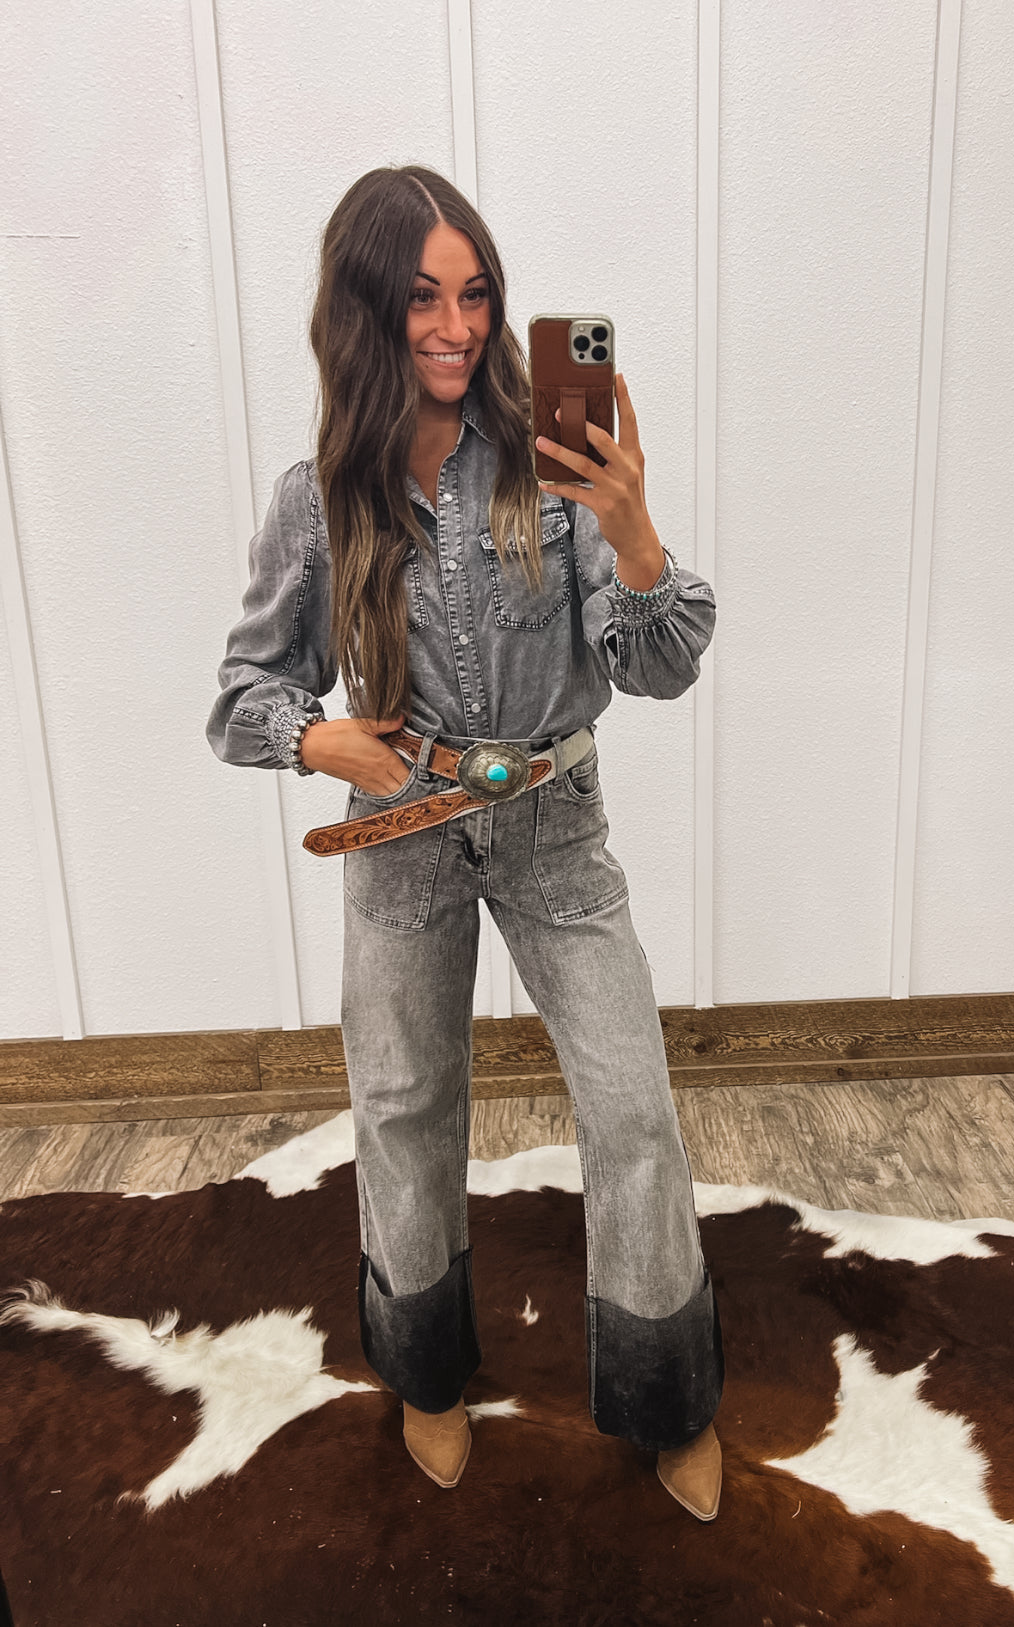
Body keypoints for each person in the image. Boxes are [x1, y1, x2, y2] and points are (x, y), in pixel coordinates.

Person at [206, 164, 724, 1520]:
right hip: (402, 835)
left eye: (477, 293)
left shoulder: (557, 466)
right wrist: (324, 742)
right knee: (403, 1110)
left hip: (556, 827)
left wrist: (634, 533)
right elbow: (242, 697)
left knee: (632, 1108)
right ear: (365, 314)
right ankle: (426, 1373)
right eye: (422, 298)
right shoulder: (316, 501)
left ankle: (667, 1393)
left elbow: (660, 666)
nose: (456, 326)